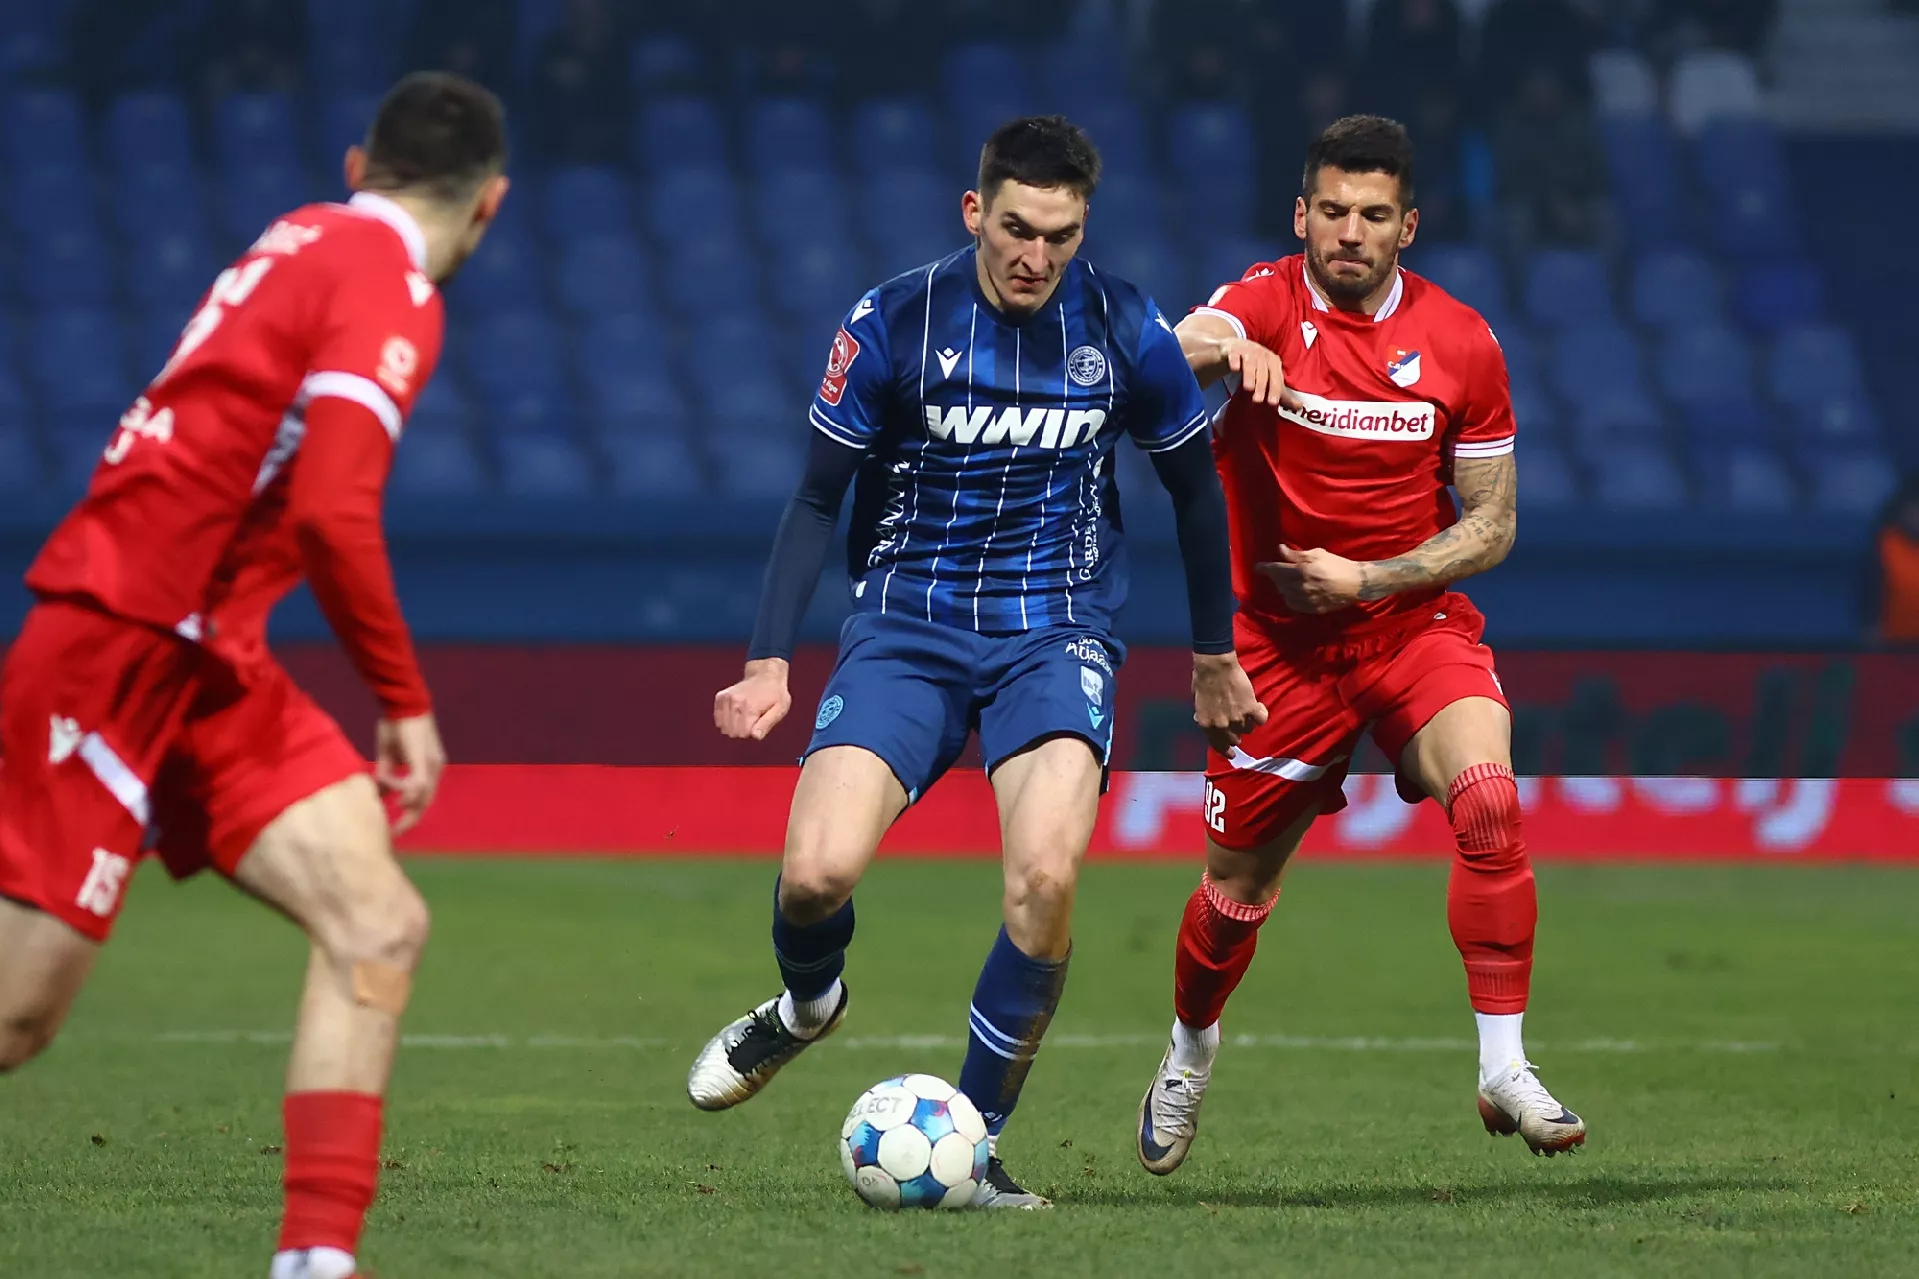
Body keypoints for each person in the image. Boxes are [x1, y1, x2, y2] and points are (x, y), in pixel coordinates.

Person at [687, 115, 1262, 1208]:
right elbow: (815, 497)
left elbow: (1195, 491)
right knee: (813, 878)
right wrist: (768, 660)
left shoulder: (1124, 326)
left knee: (1044, 879)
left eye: (1059, 234)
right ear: (973, 212)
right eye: (1014, 229)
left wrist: (1211, 653)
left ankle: (976, 1143)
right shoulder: (893, 320)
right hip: (907, 624)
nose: (1034, 255)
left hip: (1055, 630)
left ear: (1082, 228)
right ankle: (806, 1005)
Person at [0, 72, 509, 1279]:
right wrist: (403, 698)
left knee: (375, 924)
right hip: (120, 641)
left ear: (356, 167)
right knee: (16, 1017)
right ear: (489, 204)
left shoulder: (300, 234)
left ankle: (315, 1262)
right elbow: (332, 510)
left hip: (205, 658)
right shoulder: (391, 286)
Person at [1134, 115, 1586, 1176]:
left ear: (1406, 226)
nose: (1349, 231)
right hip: (1275, 652)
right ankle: (1189, 1047)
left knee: (1488, 800)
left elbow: (1492, 522)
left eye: (1373, 214)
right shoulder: (1263, 300)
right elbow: (1164, 351)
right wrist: (1225, 348)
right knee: (1233, 897)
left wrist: (1372, 578)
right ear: (1300, 216)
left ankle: (1503, 1065)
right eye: (1331, 211)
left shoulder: (1461, 341)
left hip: (1405, 625)